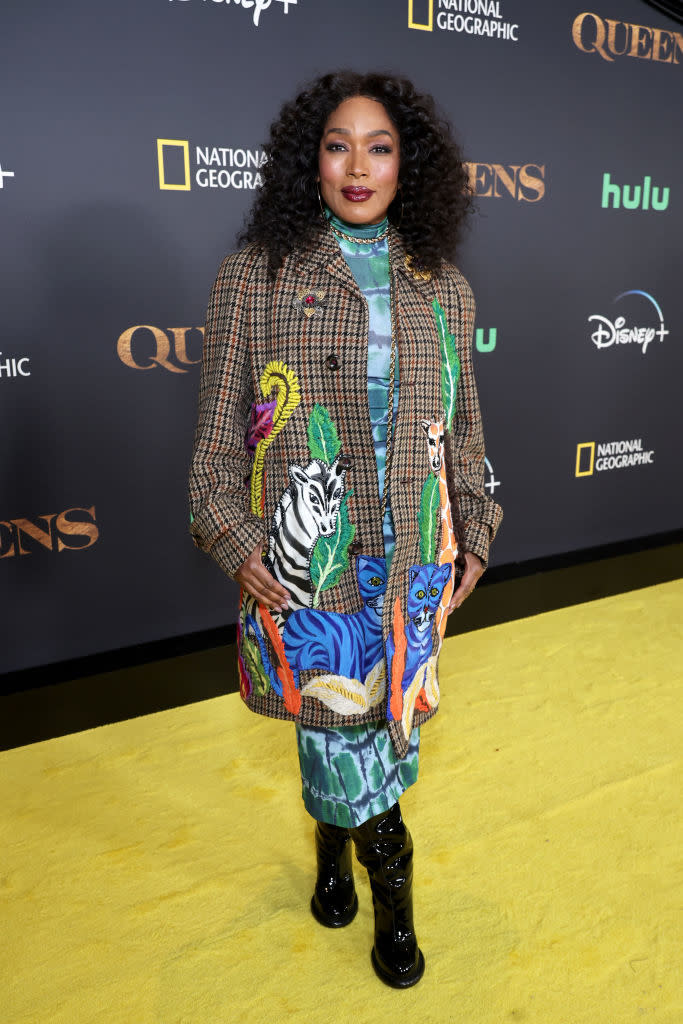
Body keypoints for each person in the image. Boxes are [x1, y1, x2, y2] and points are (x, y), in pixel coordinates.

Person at [189, 71, 502, 988]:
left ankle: (330, 862)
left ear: (410, 164)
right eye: (337, 144)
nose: (357, 166)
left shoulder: (441, 284)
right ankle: (392, 921)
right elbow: (216, 434)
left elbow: (466, 426)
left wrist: (475, 531)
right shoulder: (255, 276)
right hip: (312, 576)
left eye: (379, 146)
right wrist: (236, 538)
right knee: (346, 743)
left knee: (372, 738)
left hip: (410, 570)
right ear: (309, 161)